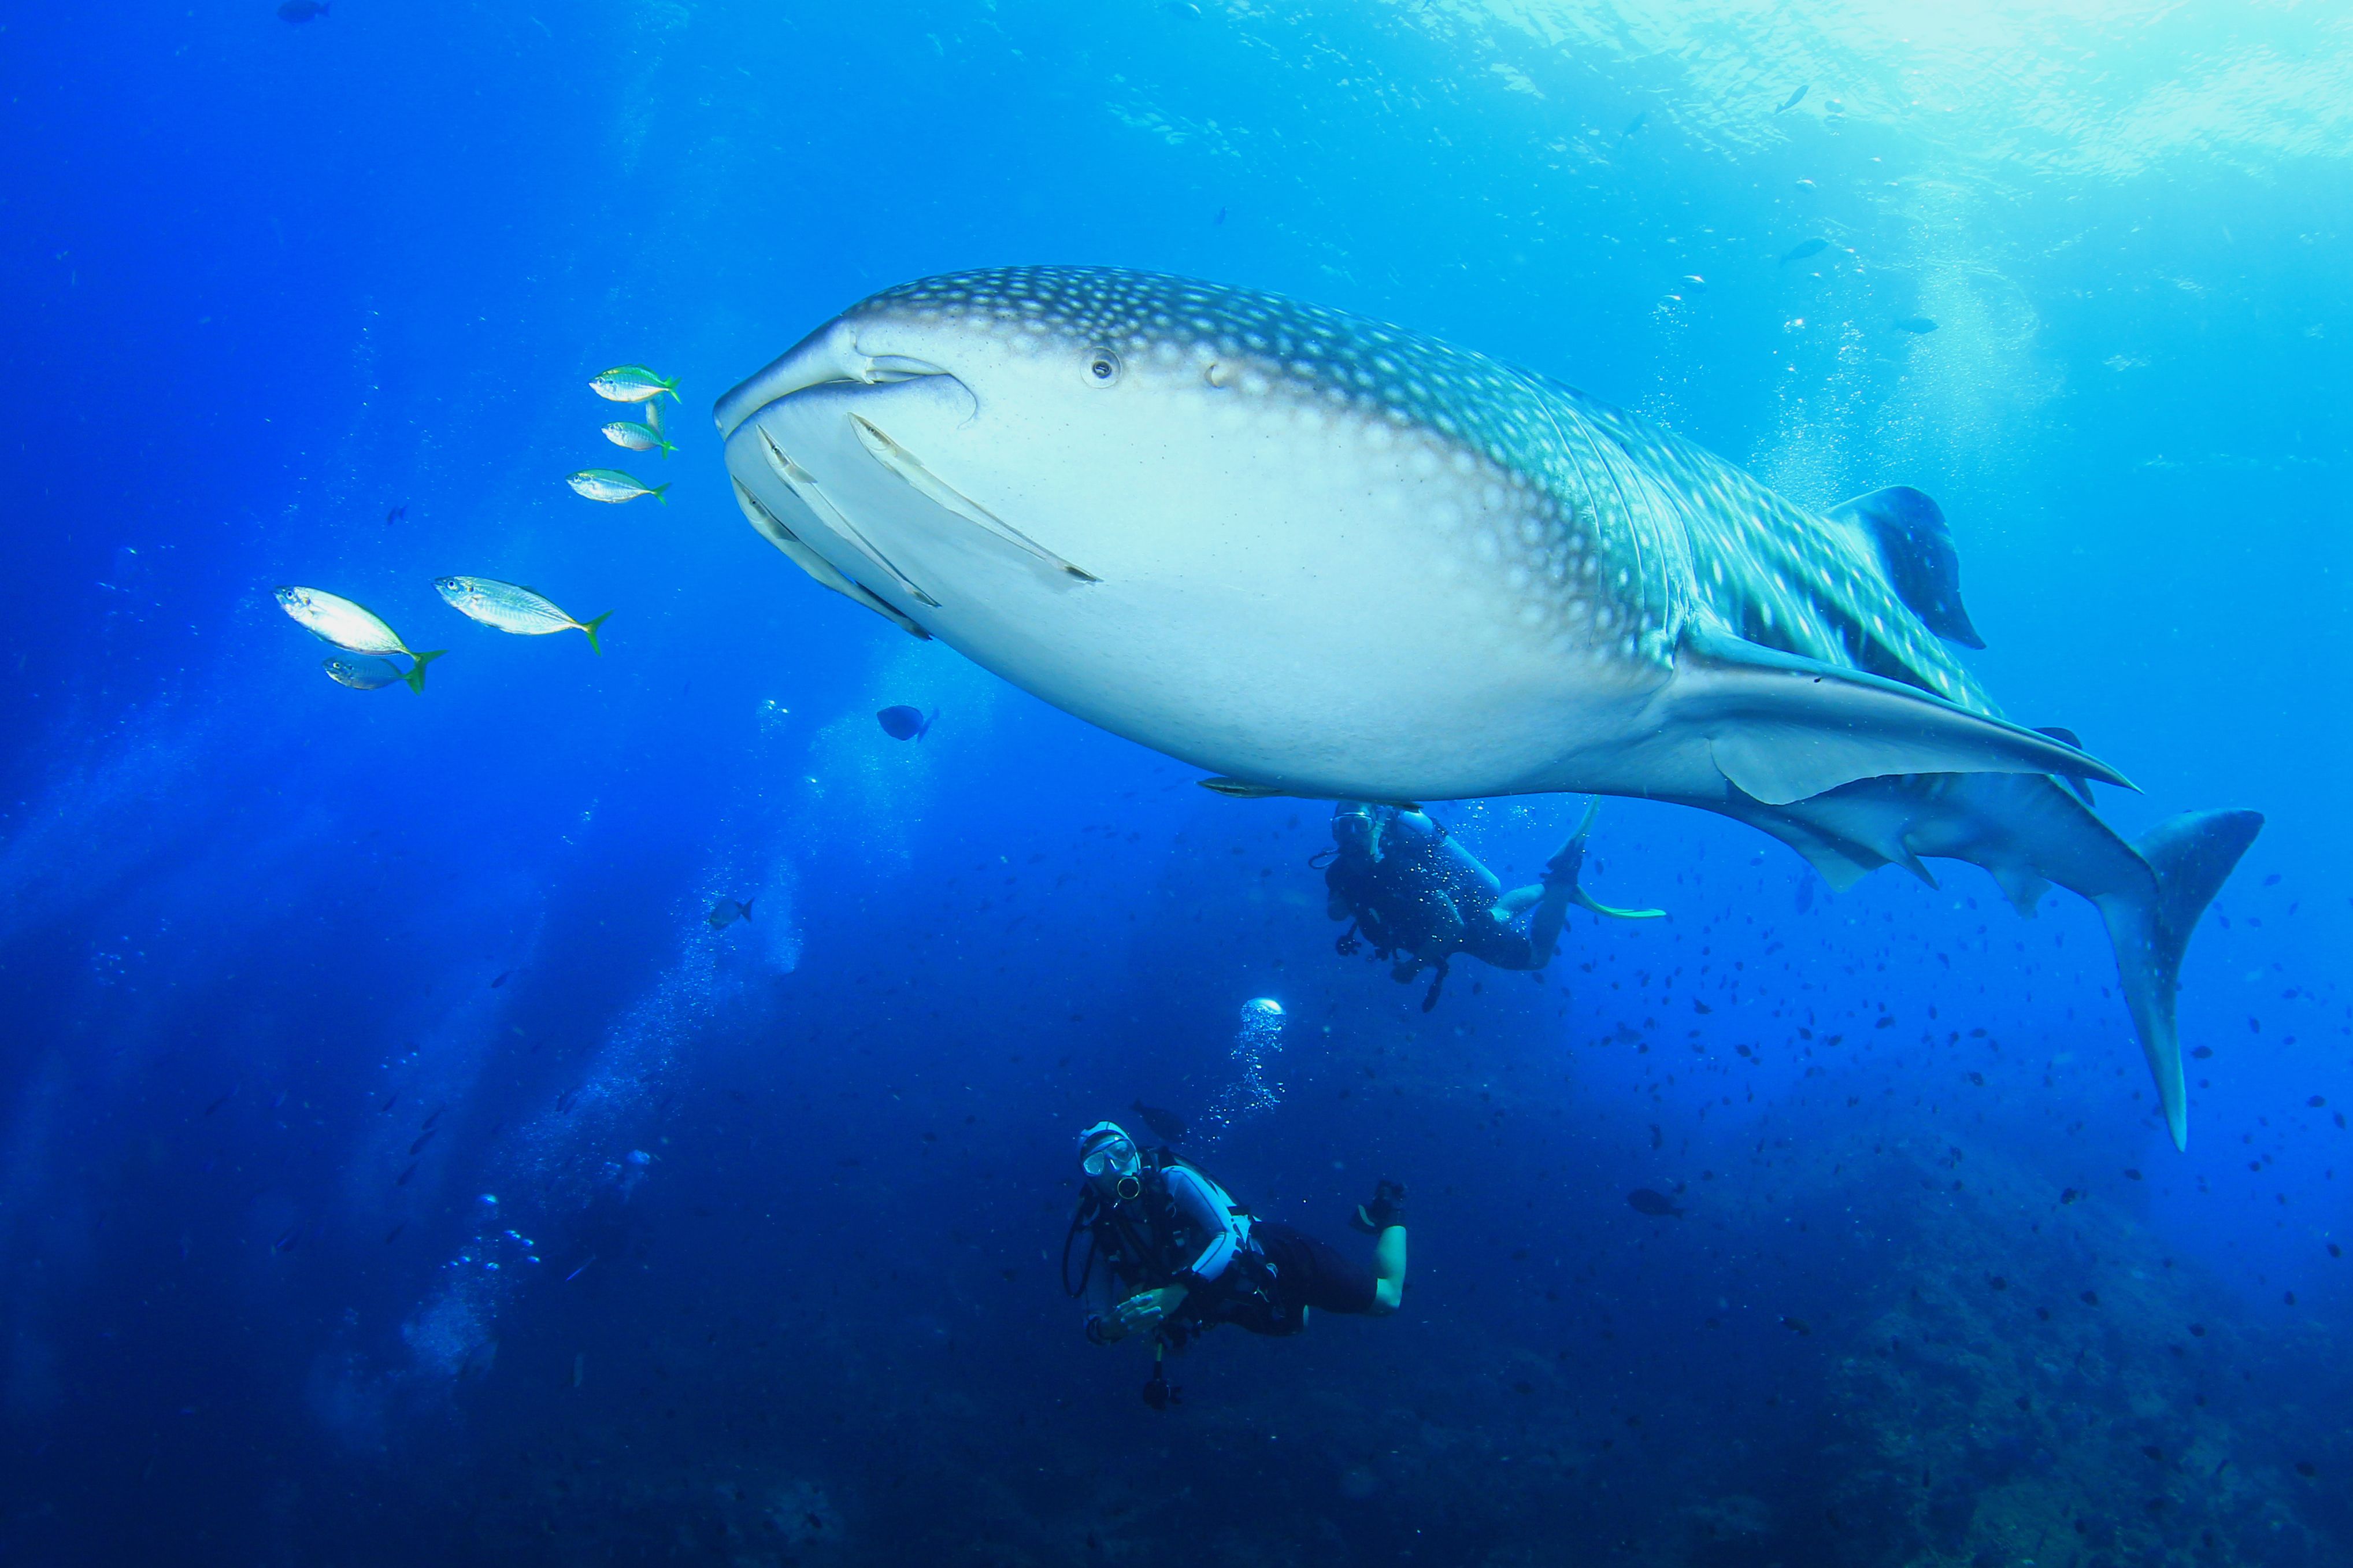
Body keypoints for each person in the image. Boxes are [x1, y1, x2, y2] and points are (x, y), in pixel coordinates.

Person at [1061, 1121, 1405, 1405]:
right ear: (1087, 1178)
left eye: (1121, 1154)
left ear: (1134, 1152)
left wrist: (1177, 1292)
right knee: (1297, 1323)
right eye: (1096, 1164)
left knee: (1387, 1299)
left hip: (1276, 1256)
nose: (1113, 1170)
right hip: (1231, 1300)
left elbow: (1228, 1236)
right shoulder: (1095, 1235)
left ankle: (1390, 1213)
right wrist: (1115, 1327)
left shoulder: (1174, 1180)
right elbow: (1095, 1324)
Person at [1321, 796, 1662, 1009]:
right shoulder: (1338, 872)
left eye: (1360, 824)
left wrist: (1414, 966)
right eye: (1343, 825)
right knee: (1500, 912)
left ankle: (1561, 884)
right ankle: (1552, 889)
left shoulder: (1403, 870)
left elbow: (1451, 926)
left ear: (1379, 827)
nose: (1352, 834)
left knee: (1536, 959)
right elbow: (1340, 908)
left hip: (1463, 930)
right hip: (1441, 926)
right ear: (1334, 831)